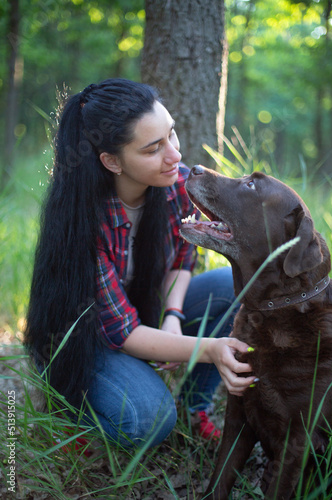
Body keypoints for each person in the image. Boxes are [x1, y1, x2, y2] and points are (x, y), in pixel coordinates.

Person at [24, 78, 255, 450]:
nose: (175, 155)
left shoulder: (177, 184)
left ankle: (193, 407)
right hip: (89, 338)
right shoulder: (82, 224)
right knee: (148, 421)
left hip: (144, 312)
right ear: (112, 161)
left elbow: (184, 257)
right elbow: (122, 333)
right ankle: (67, 405)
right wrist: (208, 348)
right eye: (153, 149)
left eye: (172, 135)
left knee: (238, 285)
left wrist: (175, 316)